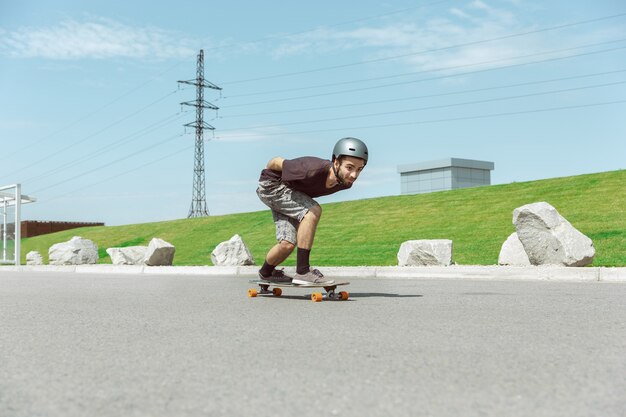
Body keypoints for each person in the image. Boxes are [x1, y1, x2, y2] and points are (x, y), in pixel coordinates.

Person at [256, 137, 369, 285]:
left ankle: (266, 272)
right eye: (349, 167)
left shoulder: (345, 183)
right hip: (272, 186)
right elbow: (275, 161)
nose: (354, 175)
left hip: (290, 193)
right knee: (312, 210)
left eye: (359, 169)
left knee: (287, 244)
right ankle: (303, 271)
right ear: (336, 162)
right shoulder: (309, 168)